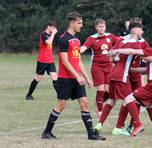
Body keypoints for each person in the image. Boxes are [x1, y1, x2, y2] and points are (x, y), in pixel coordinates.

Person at [41, 12, 106, 140]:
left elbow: (78, 60)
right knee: (61, 104)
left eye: (81, 23)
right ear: (71, 23)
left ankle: (91, 134)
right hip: (66, 79)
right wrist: (77, 76)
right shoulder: (64, 39)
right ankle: (46, 132)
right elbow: (65, 61)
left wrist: (86, 77)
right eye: (79, 23)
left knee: (85, 103)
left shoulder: (76, 40)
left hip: (77, 79)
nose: (81, 25)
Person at [110, 31, 152, 136]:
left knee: (128, 99)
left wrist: (117, 50)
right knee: (148, 105)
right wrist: (132, 70)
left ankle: (137, 124)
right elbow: (147, 69)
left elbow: (133, 51)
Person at [80, 18, 119, 119]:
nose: (102, 28)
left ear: (105, 27)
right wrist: (77, 51)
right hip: (97, 67)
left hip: (109, 66)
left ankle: (98, 103)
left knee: (108, 90)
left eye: (103, 26)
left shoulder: (110, 36)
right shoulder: (92, 38)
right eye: (100, 27)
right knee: (101, 90)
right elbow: (84, 47)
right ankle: (100, 111)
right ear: (96, 27)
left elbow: (120, 42)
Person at [25, 20, 58, 100]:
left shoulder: (50, 35)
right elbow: (49, 43)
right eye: (53, 28)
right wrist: (53, 34)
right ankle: (28, 95)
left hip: (50, 60)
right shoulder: (43, 34)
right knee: (38, 78)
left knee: (55, 77)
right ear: (49, 26)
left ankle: (60, 96)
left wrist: (52, 34)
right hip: (42, 61)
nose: (54, 30)